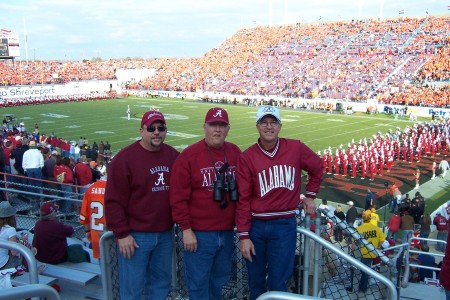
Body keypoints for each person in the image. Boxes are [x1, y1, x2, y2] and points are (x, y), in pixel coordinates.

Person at [235, 105, 323, 299]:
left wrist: (310, 195)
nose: (269, 127)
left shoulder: (295, 148)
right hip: (255, 226)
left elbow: (318, 167)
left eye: (273, 122)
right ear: (257, 126)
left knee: (278, 283)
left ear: (280, 126)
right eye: (264, 122)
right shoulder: (247, 156)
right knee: (255, 282)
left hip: (284, 224)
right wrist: (243, 236)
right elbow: (243, 199)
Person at [105, 110, 179, 300]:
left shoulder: (172, 155)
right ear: (141, 130)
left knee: (161, 286)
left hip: (164, 234)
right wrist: (122, 233)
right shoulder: (125, 159)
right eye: (151, 128)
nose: (156, 132)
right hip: (136, 236)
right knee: (132, 289)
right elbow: (113, 200)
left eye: (161, 128)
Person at [170, 107, 241, 299]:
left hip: (226, 232)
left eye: (222, 126)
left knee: (219, 281)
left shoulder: (235, 152)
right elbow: (178, 197)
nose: (217, 130)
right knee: (198, 284)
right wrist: (186, 229)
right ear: (204, 127)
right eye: (213, 125)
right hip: (199, 235)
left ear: (228, 129)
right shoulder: (189, 156)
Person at [353, 210, 386, 294]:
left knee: (361, 271)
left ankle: (361, 287)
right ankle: (363, 287)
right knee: (366, 271)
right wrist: (378, 246)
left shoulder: (359, 229)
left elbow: (354, 242)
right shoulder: (376, 229)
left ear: (363, 219)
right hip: (372, 252)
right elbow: (382, 239)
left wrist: (354, 251)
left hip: (361, 253)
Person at [80, 177, 106, 260]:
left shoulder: (91, 188)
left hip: (97, 236)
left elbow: (84, 215)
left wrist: (87, 230)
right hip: (114, 236)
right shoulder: (117, 186)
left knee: (103, 266)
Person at [0, 201, 21, 270]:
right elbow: (14, 252)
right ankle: (30, 269)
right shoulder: (10, 229)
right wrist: (22, 240)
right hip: (2, 264)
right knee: (24, 249)